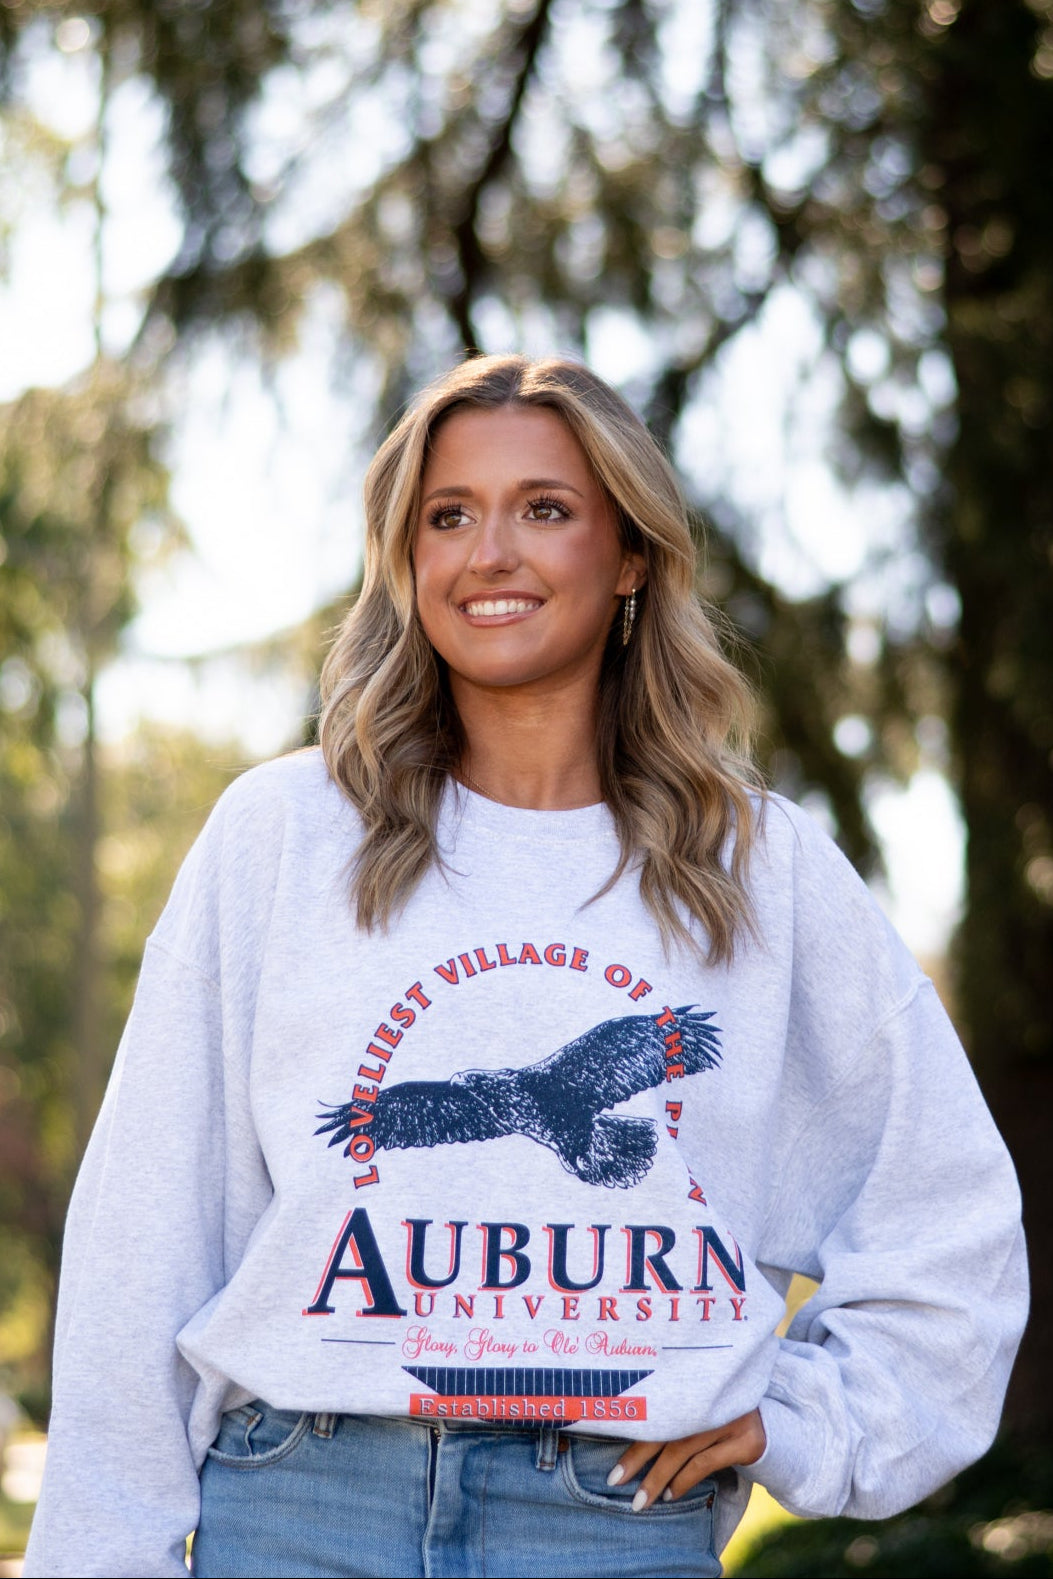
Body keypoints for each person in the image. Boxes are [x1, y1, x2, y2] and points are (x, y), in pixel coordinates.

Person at [25, 355, 1026, 1579]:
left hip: (604, 1519)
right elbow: (146, 1232)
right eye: (449, 516)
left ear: (632, 557)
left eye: (544, 509)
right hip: (301, 1506)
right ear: (407, 561)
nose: (489, 551)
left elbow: (951, 1220)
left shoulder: (760, 870)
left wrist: (814, 1424)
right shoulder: (283, 836)